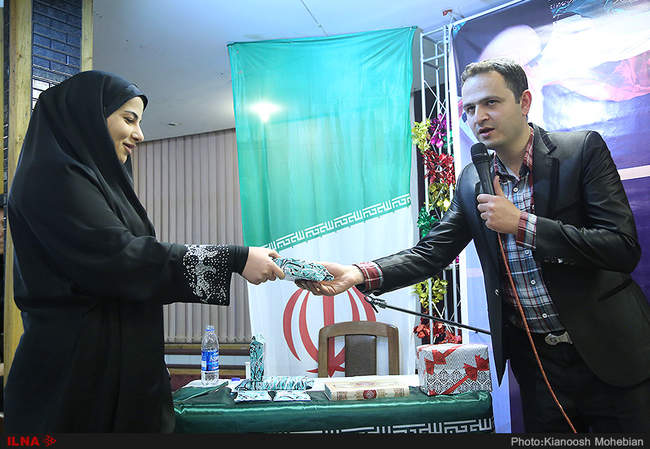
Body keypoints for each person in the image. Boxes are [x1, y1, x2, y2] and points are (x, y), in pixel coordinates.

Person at [299, 59, 650, 433]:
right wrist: (356, 273)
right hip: (538, 365)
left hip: (611, 352)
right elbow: (432, 252)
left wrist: (522, 224)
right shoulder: (472, 181)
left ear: (524, 101)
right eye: (469, 108)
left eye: (490, 103)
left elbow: (621, 247)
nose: (478, 117)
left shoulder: (580, 151)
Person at [3, 70, 285, 432]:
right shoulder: (51, 177)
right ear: (88, 117)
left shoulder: (92, 182)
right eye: (129, 119)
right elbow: (120, 259)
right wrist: (234, 259)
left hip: (111, 373)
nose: (139, 134)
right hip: (73, 383)